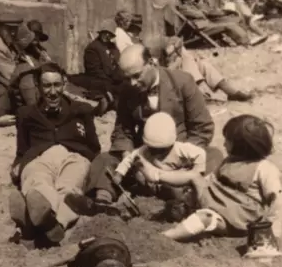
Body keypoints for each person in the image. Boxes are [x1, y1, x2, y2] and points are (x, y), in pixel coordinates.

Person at [82, 44, 223, 213]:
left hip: (180, 155)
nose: (132, 83)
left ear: (151, 63)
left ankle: (182, 200)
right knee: (105, 159)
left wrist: (180, 156)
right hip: (144, 154)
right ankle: (103, 201)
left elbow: (202, 127)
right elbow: (123, 130)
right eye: (127, 78)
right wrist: (132, 159)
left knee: (214, 156)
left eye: (136, 76)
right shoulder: (128, 90)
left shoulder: (182, 81)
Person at [162, 115, 282, 258]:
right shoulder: (229, 161)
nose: (224, 144)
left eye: (228, 141)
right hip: (219, 202)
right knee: (195, 181)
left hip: (238, 219)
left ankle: (167, 236)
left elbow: (276, 201)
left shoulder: (264, 169)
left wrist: (274, 234)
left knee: (205, 217)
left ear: (240, 146)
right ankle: (185, 207)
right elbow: (212, 179)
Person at [9, 63, 101, 244]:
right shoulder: (26, 114)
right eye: (47, 86)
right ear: (38, 87)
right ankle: (49, 220)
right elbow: (22, 150)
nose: (52, 92)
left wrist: (89, 166)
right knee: (37, 180)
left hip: (74, 157)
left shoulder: (81, 110)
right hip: (39, 157)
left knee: (70, 186)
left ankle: (40, 224)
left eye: (57, 85)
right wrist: (17, 166)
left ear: (64, 84)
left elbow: (94, 147)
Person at [145, 35, 253, 102]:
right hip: (163, 83)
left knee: (202, 64)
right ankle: (204, 92)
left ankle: (231, 92)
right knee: (187, 58)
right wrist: (177, 61)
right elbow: (158, 74)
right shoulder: (142, 52)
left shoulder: (145, 42)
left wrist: (175, 49)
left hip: (175, 76)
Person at [178, 0, 253, 47]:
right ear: (185, 1)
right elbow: (199, 15)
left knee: (232, 22)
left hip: (206, 24)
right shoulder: (183, 8)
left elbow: (204, 12)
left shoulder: (192, 7)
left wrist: (203, 11)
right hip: (201, 27)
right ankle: (245, 42)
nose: (193, 0)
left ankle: (244, 40)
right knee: (229, 26)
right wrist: (203, 12)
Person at [0, 13, 23, 80]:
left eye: (15, 29)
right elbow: (12, 75)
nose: (13, 33)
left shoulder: (9, 41)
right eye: (9, 29)